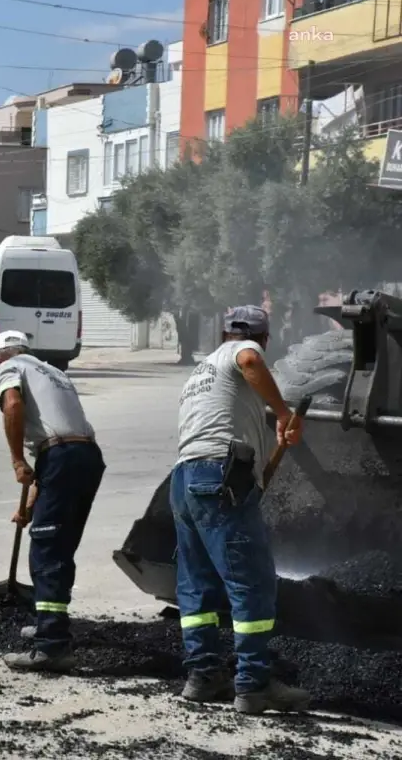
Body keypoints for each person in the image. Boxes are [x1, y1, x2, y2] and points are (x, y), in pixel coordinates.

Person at [172, 305, 309, 714]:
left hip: (184, 480)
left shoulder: (200, 371)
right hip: (220, 476)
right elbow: (249, 360)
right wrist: (284, 413)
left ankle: (204, 676)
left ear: (222, 332)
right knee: (252, 583)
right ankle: (253, 684)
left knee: (196, 584)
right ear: (262, 337)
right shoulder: (245, 351)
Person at [0, 330, 106, 672]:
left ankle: (52, 646)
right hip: (86, 457)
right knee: (60, 547)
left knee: (46, 552)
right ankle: (49, 624)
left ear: (0, 357)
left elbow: (12, 405)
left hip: (62, 457)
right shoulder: (54, 372)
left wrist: (16, 460)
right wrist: (29, 507)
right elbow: (59, 443)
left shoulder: (8, 367)